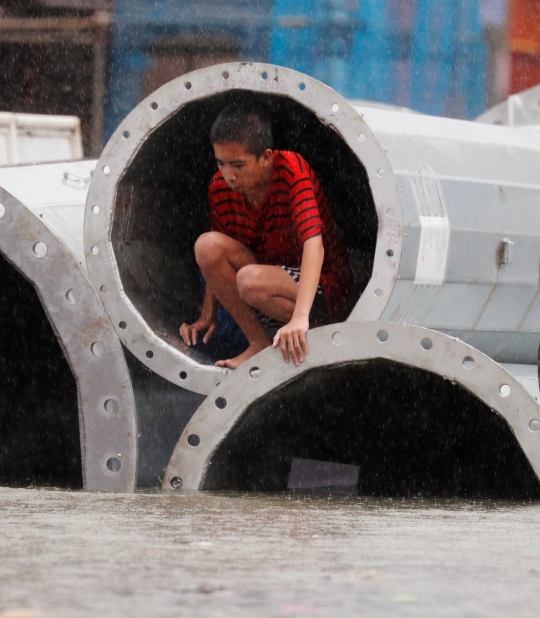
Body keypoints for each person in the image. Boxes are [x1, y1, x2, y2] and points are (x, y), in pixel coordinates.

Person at [179, 104, 355, 369]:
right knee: (207, 245)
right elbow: (216, 263)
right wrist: (207, 315)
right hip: (266, 279)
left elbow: (314, 245)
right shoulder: (220, 188)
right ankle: (258, 343)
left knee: (250, 280)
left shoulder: (291, 170)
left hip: (321, 284)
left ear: (266, 157)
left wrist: (300, 317)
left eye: (238, 164)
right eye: (221, 163)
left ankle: (319, 329)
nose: (229, 175)